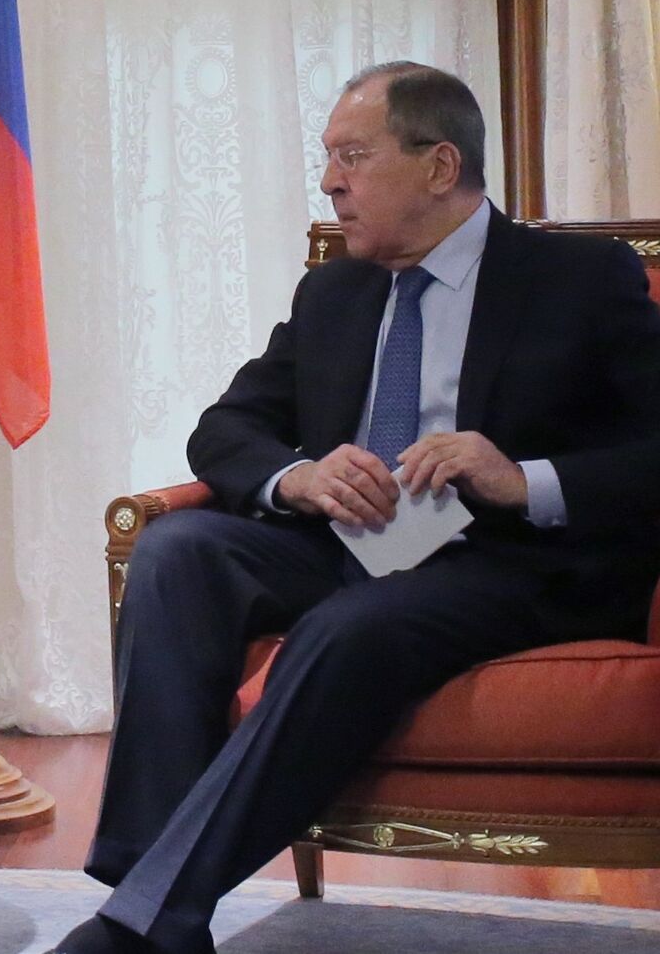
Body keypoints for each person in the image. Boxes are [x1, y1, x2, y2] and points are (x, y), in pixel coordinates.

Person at [51, 62, 660, 954]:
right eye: (328, 158)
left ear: (439, 166)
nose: (330, 181)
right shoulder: (335, 290)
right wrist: (299, 476)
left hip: (507, 563)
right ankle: (149, 896)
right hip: (349, 541)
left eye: (352, 156)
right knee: (179, 551)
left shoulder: (579, 278)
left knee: (350, 627)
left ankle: (140, 925)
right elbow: (225, 429)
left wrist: (519, 477)